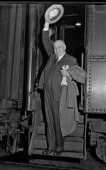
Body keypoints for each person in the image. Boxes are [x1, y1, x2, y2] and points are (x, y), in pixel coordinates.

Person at [38, 19, 83, 156]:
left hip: (60, 94)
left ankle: (59, 147)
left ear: (64, 48)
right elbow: (46, 41)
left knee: (58, 121)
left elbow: (80, 75)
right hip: (47, 93)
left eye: (59, 47)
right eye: (55, 47)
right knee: (49, 120)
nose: (56, 49)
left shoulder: (71, 59)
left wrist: (68, 74)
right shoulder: (52, 56)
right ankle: (50, 147)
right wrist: (46, 25)